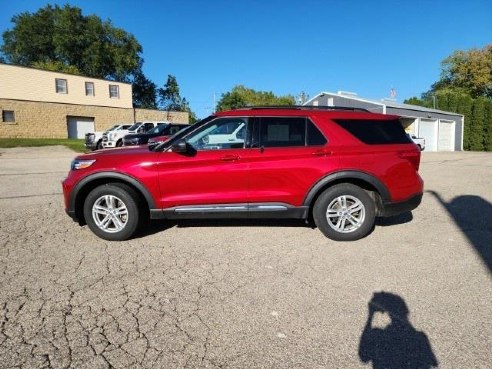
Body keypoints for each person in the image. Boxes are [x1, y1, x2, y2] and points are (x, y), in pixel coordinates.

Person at [359, 292, 438, 369]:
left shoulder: (379, 337)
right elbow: (432, 363)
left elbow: (363, 356)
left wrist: (370, 316)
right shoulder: (418, 338)